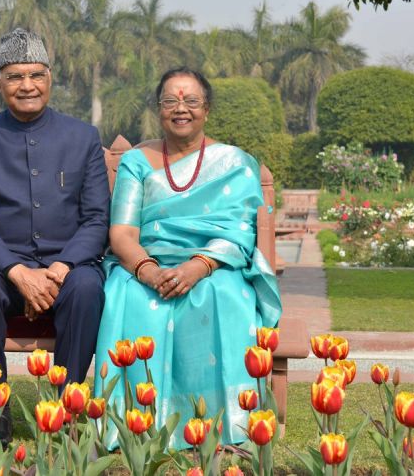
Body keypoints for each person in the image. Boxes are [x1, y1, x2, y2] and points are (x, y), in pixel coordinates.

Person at [94, 67, 282, 448]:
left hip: (214, 263)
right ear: (158, 109)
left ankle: (225, 422)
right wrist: (149, 271)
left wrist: (198, 267)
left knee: (224, 296)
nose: (181, 109)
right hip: (146, 264)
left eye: (191, 101)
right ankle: (135, 421)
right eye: (170, 101)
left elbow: (240, 231)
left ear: (207, 109)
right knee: (127, 295)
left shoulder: (234, 163)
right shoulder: (136, 161)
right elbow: (123, 233)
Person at [0, 28, 110, 441]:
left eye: (36, 75)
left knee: (87, 288)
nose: (27, 85)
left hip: (68, 268)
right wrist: (19, 273)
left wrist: (59, 268)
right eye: (16, 76)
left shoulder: (83, 137)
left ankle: (65, 418)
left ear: (50, 78)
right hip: (2, 271)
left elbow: (97, 219)